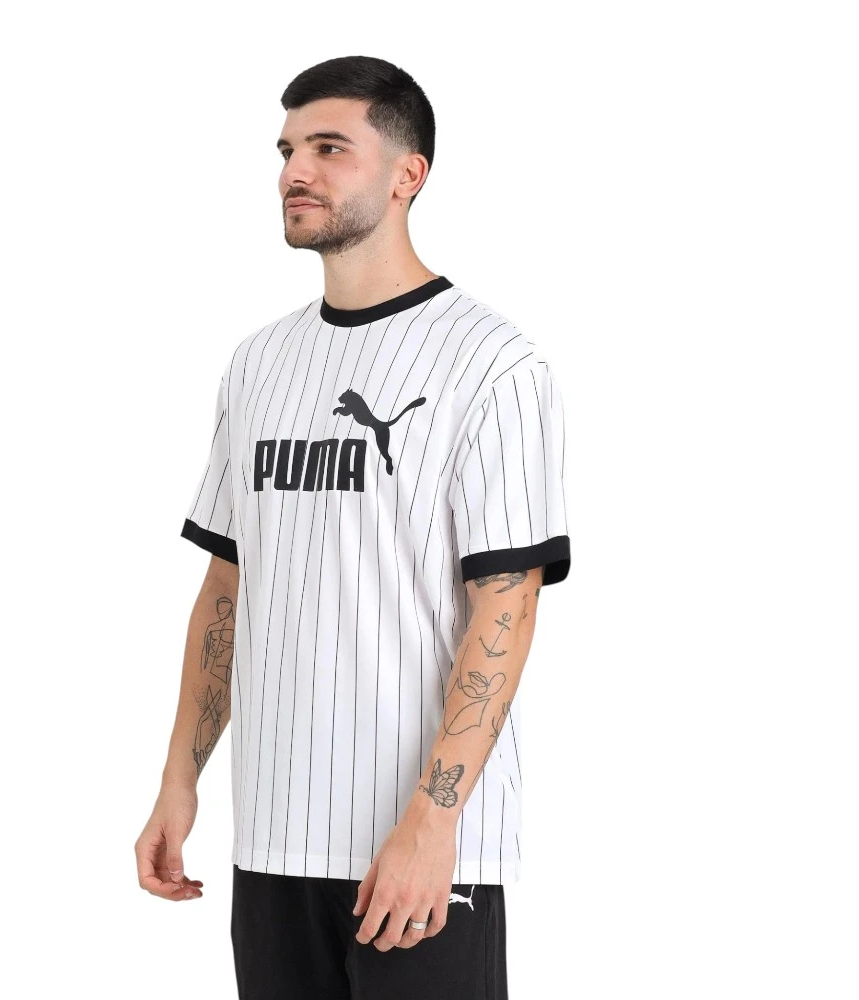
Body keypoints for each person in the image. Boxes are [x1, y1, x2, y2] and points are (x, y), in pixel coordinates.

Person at [135, 54, 572, 1000]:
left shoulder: (493, 364)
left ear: (409, 174)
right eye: (287, 149)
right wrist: (180, 779)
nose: (296, 171)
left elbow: (506, 605)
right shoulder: (258, 364)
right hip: (272, 841)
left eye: (330, 148)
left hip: (422, 855)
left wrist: (433, 822)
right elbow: (228, 588)